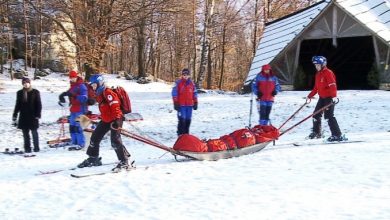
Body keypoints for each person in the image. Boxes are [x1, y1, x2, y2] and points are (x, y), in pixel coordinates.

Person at [77, 74, 132, 172]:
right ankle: (93, 158)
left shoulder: (108, 92)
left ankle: (124, 161)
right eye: (92, 86)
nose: (93, 87)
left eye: (94, 85)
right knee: (95, 137)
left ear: (100, 83)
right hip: (106, 119)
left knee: (115, 141)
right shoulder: (99, 94)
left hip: (116, 118)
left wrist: (116, 120)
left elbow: (115, 107)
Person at [307, 56, 345, 142]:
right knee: (315, 114)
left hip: (329, 98)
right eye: (315, 65)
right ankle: (317, 133)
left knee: (329, 116)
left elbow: (333, 85)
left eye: (318, 65)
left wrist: (334, 96)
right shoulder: (318, 74)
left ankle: (337, 135)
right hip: (322, 98)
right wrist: (309, 96)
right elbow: (316, 88)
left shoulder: (328, 73)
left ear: (323, 64)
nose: (316, 67)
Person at [58, 70, 88, 150]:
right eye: (71, 78)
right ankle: (74, 141)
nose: (72, 79)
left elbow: (84, 98)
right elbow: (68, 93)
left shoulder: (82, 86)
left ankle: (81, 143)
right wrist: (62, 95)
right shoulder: (72, 86)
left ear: (76, 77)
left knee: (78, 127)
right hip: (73, 109)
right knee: (72, 126)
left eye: (73, 77)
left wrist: (75, 96)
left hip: (80, 109)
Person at [12, 77, 42, 154]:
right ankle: (27, 148)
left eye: (27, 82)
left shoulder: (35, 92)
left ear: (29, 83)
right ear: (22, 84)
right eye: (24, 83)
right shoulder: (19, 93)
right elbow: (17, 104)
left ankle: (36, 148)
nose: (26, 84)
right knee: (25, 134)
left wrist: (38, 114)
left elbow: (38, 104)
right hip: (23, 116)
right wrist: (15, 114)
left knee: (34, 132)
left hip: (33, 115)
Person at [172, 68, 198, 135]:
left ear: (189, 75)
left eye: (187, 74)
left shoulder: (192, 84)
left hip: (189, 105)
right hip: (181, 105)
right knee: (182, 119)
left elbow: (194, 93)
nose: (185, 76)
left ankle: (186, 133)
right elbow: (174, 93)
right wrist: (175, 102)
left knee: (188, 119)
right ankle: (180, 133)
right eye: (184, 74)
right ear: (182, 75)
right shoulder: (178, 83)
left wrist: (195, 102)